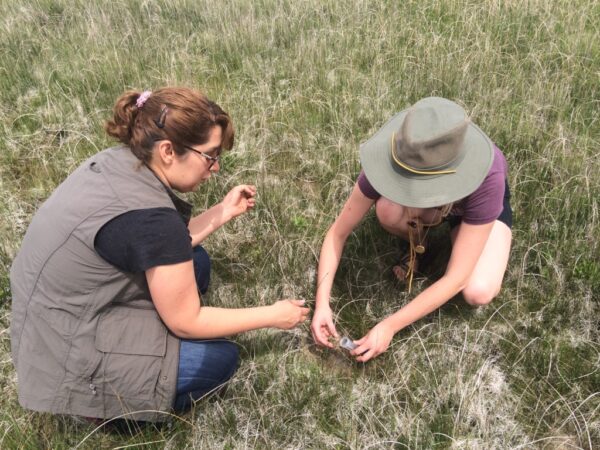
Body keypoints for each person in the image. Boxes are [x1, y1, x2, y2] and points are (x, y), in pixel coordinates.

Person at [10, 87, 309, 422]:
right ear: (168, 151)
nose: (215, 169)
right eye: (210, 156)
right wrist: (273, 315)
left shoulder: (122, 162)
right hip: (65, 352)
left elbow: (158, 243)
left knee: (197, 263)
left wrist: (223, 211)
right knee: (219, 359)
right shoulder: (153, 219)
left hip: (53, 316)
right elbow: (187, 321)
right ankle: (99, 412)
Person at [311, 97, 512, 363]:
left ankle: (445, 237)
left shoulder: (489, 177)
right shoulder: (397, 153)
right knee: (388, 211)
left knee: (479, 290)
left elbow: (457, 278)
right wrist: (321, 304)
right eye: (403, 177)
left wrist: (390, 326)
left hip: (470, 214)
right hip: (440, 207)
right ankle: (419, 247)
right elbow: (338, 232)